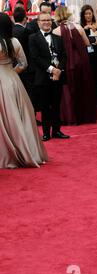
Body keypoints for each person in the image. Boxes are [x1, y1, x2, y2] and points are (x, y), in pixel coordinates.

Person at [0, 12, 48, 168]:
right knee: (18, 117)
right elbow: (23, 64)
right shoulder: (14, 42)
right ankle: (26, 150)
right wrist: (11, 72)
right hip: (12, 81)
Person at [53, 6, 97, 125]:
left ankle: (71, 117)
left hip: (66, 63)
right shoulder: (79, 27)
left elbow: (55, 51)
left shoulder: (55, 31)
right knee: (83, 87)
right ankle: (86, 116)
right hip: (82, 62)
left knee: (67, 90)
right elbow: (88, 44)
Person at [29, 11, 69, 141]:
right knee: (45, 106)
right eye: (44, 20)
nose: (47, 22)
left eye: (49, 20)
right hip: (43, 77)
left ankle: (57, 130)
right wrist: (52, 69)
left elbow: (64, 56)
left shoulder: (58, 38)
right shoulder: (33, 38)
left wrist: (59, 70)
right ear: (38, 22)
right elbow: (35, 58)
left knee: (57, 105)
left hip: (58, 76)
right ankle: (46, 132)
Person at [80, 4, 97, 111]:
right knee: (88, 78)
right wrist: (86, 29)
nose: (88, 16)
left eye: (90, 13)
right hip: (86, 55)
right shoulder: (80, 26)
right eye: (86, 14)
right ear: (83, 15)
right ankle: (90, 103)